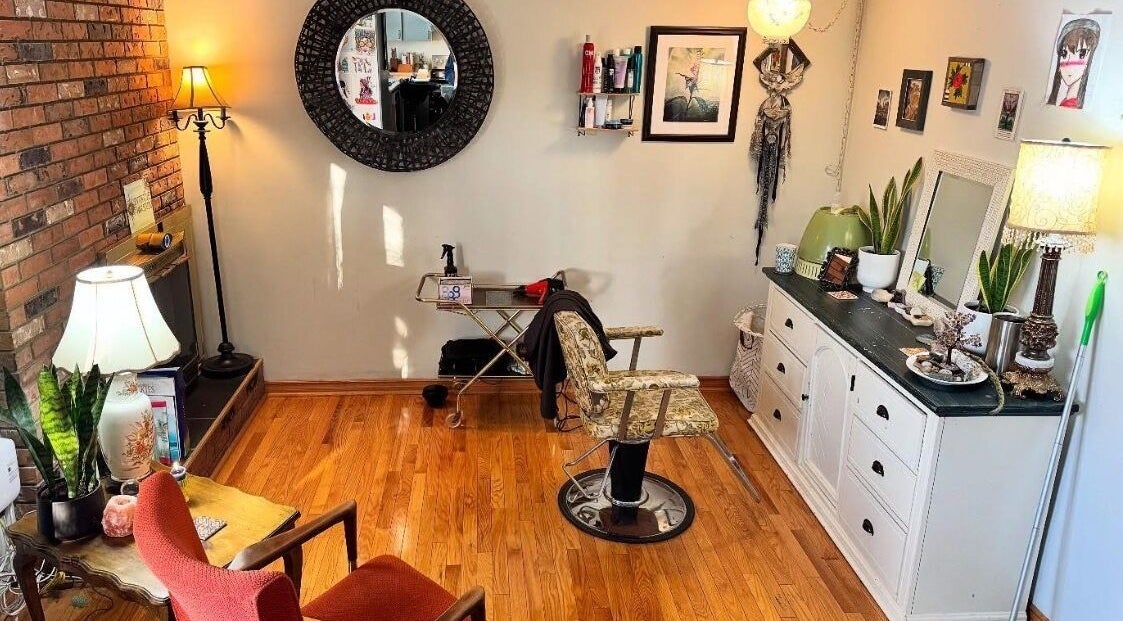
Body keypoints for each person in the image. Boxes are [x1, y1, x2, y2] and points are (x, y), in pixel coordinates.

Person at [1047, 18, 1101, 109]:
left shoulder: (1072, 104)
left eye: (1081, 54)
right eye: (1064, 54)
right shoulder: (1064, 102)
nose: (1068, 64)